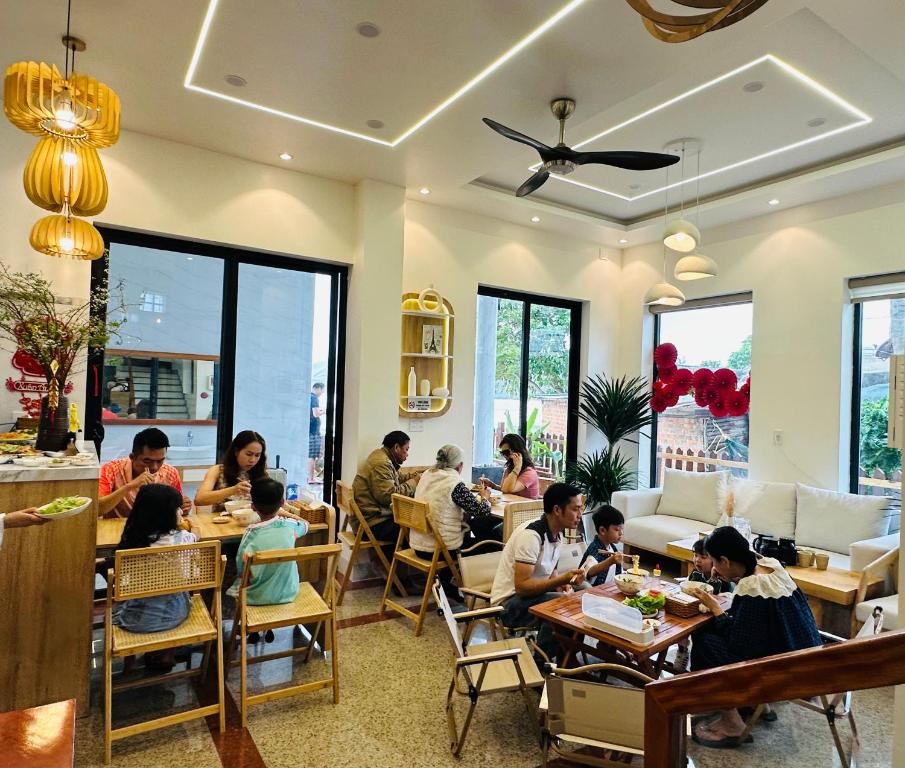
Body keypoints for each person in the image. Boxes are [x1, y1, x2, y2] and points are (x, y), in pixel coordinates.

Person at [688, 526, 822, 748]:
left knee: (705, 640)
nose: (713, 567)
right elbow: (759, 628)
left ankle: (732, 723)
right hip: (806, 657)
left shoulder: (752, 587)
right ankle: (756, 705)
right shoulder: (771, 567)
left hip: (785, 672)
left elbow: (739, 645)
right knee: (713, 631)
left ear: (725, 560)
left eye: (713, 561)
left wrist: (714, 607)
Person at [489, 482, 585, 662]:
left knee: (583, 595)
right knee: (559, 606)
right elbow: (522, 587)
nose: (580, 515)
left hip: (531, 596)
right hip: (508, 605)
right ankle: (541, 664)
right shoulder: (531, 537)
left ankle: (567, 658)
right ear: (557, 510)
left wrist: (563, 584)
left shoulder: (557, 534)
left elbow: (551, 572)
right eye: (575, 509)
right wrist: (559, 582)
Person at [113, 484, 200, 670]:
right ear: (167, 515)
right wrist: (194, 530)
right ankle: (165, 651)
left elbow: (124, 584)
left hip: (135, 621)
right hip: (176, 614)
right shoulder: (185, 538)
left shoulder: (131, 542)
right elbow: (195, 545)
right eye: (177, 509)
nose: (180, 512)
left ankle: (132, 662)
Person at [410, 444, 493, 602]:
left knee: (462, 535)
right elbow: (481, 511)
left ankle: (448, 585)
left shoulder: (427, 474)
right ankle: (477, 594)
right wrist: (485, 497)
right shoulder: (454, 484)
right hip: (439, 549)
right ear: (460, 466)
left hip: (418, 544)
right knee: (491, 545)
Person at [228, 479, 309, 637]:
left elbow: (240, 565)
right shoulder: (290, 527)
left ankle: (248, 625)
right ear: (282, 502)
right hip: (288, 592)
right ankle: (264, 626)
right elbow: (306, 524)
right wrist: (284, 513)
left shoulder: (250, 533)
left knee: (237, 579)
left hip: (254, 597)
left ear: (253, 506)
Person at [352, 431, 422, 560]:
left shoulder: (381, 456)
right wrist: (414, 483)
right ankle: (396, 574)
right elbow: (388, 497)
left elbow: (396, 479)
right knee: (415, 532)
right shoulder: (381, 463)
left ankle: (390, 570)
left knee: (412, 526)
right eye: (406, 450)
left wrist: (415, 477)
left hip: (371, 517)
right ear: (396, 448)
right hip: (372, 523)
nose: (407, 454)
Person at [98, 428, 191, 518]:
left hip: (156, 530)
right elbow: (97, 509)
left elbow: (177, 508)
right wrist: (129, 486)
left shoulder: (170, 473)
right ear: (132, 457)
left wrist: (182, 507)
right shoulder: (111, 470)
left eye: (160, 461)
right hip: (117, 529)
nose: (154, 467)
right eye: (147, 461)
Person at [673, 538, 734, 672]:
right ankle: (682, 651)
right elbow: (685, 587)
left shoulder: (722, 579)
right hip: (691, 610)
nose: (697, 560)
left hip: (711, 618)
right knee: (680, 626)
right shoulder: (695, 574)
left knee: (700, 635)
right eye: (695, 555)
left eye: (703, 557)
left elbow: (728, 601)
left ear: (714, 560)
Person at [195, 430, 268, 513]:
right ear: (236, 451)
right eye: (248, 454)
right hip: (222, 523)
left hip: (253, 522)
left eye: (257, 455)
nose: (252, 460)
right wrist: (233, 490)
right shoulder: (218, 470)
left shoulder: (260, 473)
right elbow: (199, 499)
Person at [578, 505, 627, 587]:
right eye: (617, 530)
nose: (621, 533)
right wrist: (610, 561)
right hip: (593, 592)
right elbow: (589, 571)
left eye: (622, 529)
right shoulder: (595, 549)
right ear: (602, 530)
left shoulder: (612, 547)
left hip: (609, 588)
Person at [481, 433, 540, 499]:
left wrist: (517, 468)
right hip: (513, 506)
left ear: (517, 451)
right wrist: (492, 485)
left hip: (527, 508)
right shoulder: (509, 469)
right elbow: (505, 489)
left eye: (506, 452)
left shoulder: (529, 473)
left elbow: (508, 489)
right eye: (502, 453)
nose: (505, 456)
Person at [308, 383, 324, 484]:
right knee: (312, 455)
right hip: (313, 431)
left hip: (312, 430)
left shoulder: (310, 397)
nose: (322, 393)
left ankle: (311, 477)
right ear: (317, 388)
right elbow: (315, 413)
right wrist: (324, 411)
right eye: (322, 390)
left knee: (313, 455)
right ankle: (311, 478)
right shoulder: (313, 398)